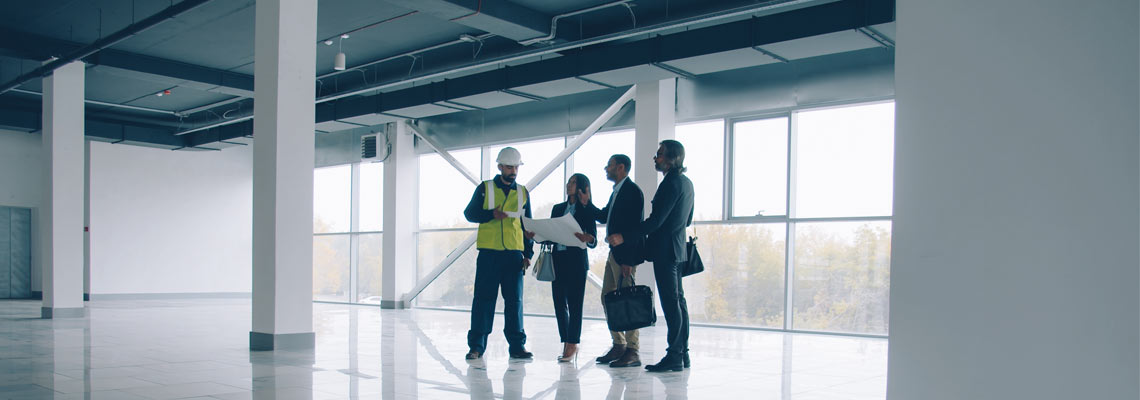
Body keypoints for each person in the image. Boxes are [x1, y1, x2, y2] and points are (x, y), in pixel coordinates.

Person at [607, 140, 694, 372]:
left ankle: (674, 355)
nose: (655, 158)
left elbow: (655, 222)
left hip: (665, 251)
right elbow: (687, 220)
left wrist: (624, 236)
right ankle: (682, 353)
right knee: (679, 302)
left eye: (659, 155)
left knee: (671, 304)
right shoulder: (687, 183)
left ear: (671, 158)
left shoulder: (670, 184)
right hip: (678, 250)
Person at [462, 147, 535, 360]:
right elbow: (469, 213)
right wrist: (490, 214)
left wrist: (528, 253)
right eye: (510, 167)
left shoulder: (522, 192)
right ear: (500, 166)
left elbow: (526, 223)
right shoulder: (485, 189)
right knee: (483, 300)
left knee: (515, 302)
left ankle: (517, 346)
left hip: (514, 254)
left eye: (516, 167)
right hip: (489, 254)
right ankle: (476, 346)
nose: (513, 171)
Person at [582, 154, 645, 368]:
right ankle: (619, 344)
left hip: (625, 255)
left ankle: (633, 349)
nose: (605, 168)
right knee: (608, 297)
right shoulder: (617, 192)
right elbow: (603, 216)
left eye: (609, 165)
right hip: (614, 253)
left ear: (620, 168)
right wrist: (586, 203)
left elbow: (637, 227)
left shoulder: (632, 192)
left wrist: (628, 259)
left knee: (628, 300)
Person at [547, 173, 598, 362]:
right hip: (558, 260)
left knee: (575, 304)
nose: (568, 185)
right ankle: (566, 340)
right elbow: (552, 232)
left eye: (573, 182)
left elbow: (593, 238)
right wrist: (536, 234)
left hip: (576, 262)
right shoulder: (558, 208)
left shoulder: (586, 209)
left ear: (581, 187)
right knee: (559, 303)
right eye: (568, 182)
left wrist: (588, 238)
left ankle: (573, 343)